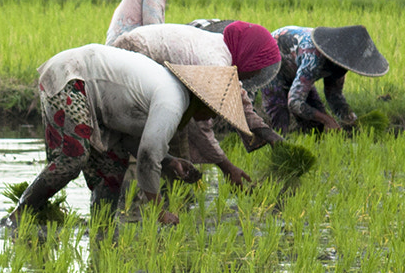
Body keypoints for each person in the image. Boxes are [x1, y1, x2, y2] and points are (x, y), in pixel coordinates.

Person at [4, 44, 251, 227]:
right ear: (204, 101)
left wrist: (169, 162)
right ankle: (18, 216)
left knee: (112, 172)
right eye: (215, 110)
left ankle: (101, 229)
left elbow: (132, 138)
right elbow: (146, 156)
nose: (212, 117)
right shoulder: (173, 101)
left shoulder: (175, 98)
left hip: (99, 105)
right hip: (72, 76)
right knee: (74, 158)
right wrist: (158, 210)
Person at [110, 21, 285, 187]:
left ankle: (174, 199)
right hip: (135, 58)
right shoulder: (215, 64)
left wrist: (268, 134)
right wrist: (227, 168)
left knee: (175, 145)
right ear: (249, 57)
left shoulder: (223, 52)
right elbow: (199, 126)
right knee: (144, 141)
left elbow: (238, 99)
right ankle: (140, 204)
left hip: (136, 56)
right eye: (258, 67)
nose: (257, 74)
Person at [263, 25, 389, 133]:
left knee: (316, 125)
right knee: (280, 118)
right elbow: (295, 102)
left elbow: (334, 96)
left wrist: (352, 120)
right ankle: (279, 151)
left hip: (297, 69)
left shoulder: (340, 63)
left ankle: (316, 151)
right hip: (272, 64)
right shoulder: (313, 57)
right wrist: (327, 119)